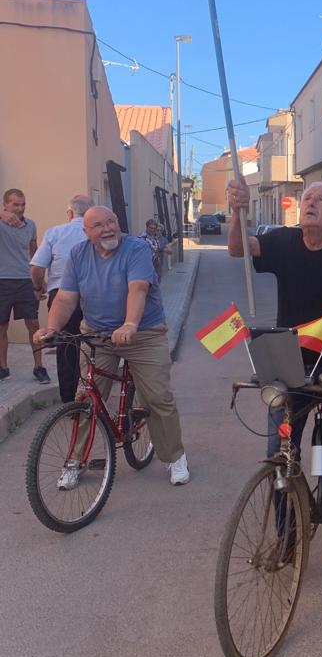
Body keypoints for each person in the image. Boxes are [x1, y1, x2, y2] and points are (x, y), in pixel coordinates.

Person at [226, 178, 322, 482]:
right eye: (307, 197)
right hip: (290, 357)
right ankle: (285, 507)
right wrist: (236, 211)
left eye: (320, 199)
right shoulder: (284, 241)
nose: (310, 202)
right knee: (279, 448)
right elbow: (236, 248)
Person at [34, 206, 190, 487]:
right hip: (97, 333)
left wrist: (129, 324)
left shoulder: (136, 249)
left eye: (111, 222)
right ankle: (76, 460)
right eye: (98, 225)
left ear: (118, 224)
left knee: (157, 397)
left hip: (143, 333)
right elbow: (66, 298)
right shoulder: (78, 254)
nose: (107, 229)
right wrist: (52, 328)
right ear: (86, 232)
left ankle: (174, 456)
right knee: (85, 398)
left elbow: (137, 289)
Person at [29, 194, 91, 401]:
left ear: (70, 213)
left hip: (61, 296)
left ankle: (69, 401)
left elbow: (37, 267)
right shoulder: (94, 233)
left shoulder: (55, 232)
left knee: (66, 347)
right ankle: (91, 396)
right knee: (94, 345)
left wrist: (38, 287)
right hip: (92, 295)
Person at [0, 188, 49, 383]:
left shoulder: (31, 225)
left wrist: (40, 280)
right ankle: (3, 367)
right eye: (15, 205)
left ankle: (39, 367)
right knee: (2, 326)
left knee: (34, 325)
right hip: (2, 281)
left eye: (23, 204)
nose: (20, 209)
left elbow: (34, 254)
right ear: (5, 204)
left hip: (25, 281)